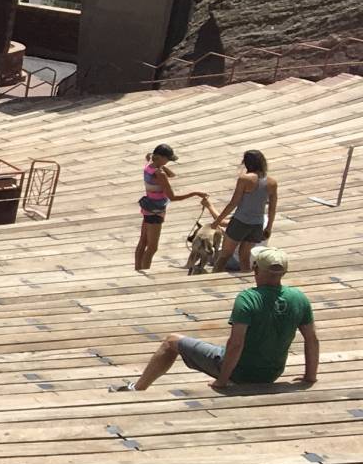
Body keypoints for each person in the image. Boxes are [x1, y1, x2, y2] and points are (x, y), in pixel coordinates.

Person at [121, 245, 317, 393]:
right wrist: (310, 377)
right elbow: (312, 340)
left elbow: (236, 344)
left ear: (255, 268)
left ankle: (137, 389)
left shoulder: (248, 299)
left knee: (171, 341)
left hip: (240, 372)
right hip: (271, 373)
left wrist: (222, 380)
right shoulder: (299, 298)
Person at [133, 143, 203, 273]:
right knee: (152, 247)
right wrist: (195, 193)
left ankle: (137, 269)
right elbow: (173, 197)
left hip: (147, 208)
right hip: (156, 212)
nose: (168, 162)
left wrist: (162, 165)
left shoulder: (148, 164)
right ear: (159, 157)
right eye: (167, 159)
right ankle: (144, 272)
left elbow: (172, 175)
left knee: (143, 242)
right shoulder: (160, 174)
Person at [211, 149, 277, 273]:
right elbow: (272, 208)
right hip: (257, 224)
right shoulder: (272, 182)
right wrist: (268, 227)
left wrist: (217, 221)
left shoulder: (245, 179)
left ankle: (212, 279)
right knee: (244, 257)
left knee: (224, 256)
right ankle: (245, 281)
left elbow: (233, 203)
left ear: (246, 163)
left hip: (240, 222)